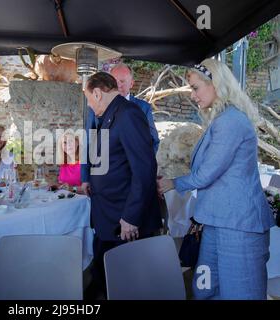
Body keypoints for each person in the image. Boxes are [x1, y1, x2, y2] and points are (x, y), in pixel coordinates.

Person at [158, 58, 274, 300]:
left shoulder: (230, 121)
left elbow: (207, 172)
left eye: (195, 87)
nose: (192, 95)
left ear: (216, 84)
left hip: (238, 226)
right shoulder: (222, 119)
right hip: (216, 222)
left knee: (240, 293)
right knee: (205, 288)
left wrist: (173, 183)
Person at [83, 72, 162, 299]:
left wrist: (131, 217)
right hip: (110, 213)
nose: (89, 105)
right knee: (106, 276)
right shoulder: (112, 113)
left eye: (89, 98)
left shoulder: (128, 114)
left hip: (124, 220)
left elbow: (145, 168)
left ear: (98, 93)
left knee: (126, 284)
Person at [110, 63, 160, 153]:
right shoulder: (99, 108)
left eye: (122, 81)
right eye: (114, 81)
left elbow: (153, 141)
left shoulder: (144, 108)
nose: (118, 86)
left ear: (131, 84)